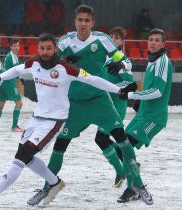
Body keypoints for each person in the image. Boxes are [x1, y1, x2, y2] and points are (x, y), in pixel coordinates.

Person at [0, 33, 129, 209]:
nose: (45, 52)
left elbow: (93, 79)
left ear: (55, 48)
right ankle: (55, 183)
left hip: (54, 121)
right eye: (42, 48)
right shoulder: (34, 63)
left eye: (49, 48)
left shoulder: (67, 68)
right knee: (26, 156)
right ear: (37, 49)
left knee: (21, 157)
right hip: (36, 118)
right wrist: (0, 77)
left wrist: (118, 90)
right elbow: (18, 69)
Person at [27, 5, 152, 206]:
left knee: (122, 139)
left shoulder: (103, 40)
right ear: (75, 22)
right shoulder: (66, 40)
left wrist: (120, 64)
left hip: (99, 101)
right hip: (74, 104)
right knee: (60, 146)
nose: (83, 23)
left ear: (92, 23)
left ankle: (138, 184)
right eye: (80, 20)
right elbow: (52, 62)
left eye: (87, 20)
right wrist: (64, 59)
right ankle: (46, 188)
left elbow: (126, 61)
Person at [117, 28, 172, 204]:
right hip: (143, 114)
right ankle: (134, 173)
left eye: (157, 40)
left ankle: (132, 187)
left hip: (154, 118)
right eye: (151, 39)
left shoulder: (163, 62)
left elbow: (157, 91)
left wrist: (133, 95)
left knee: (126, 147)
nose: (153, 42)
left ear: (164, 44)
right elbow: (150, 86)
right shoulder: (152, 60)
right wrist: (140, 100)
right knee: (121, 148)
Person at [94, 26, 134, 188]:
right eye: (111, 36)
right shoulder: (102, 58)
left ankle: (122, 170)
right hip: (104, 106)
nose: (113, 39)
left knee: (101, 139)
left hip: (116, 106)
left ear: (121, 42)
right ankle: (128, 164)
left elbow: (129, 83)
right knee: (106, 139)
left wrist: (114, 87)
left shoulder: (122, 61)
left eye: (117, 38)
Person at [0, 39, 23, 132]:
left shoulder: (12, 56)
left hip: (5, 81)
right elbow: (16, 71)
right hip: (10, 82)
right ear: (10, 47)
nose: (17, 48)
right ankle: (14, 127)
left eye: (18, 46)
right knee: (19, 103)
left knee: (2, 102)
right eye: (15, 46)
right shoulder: (12, 56)